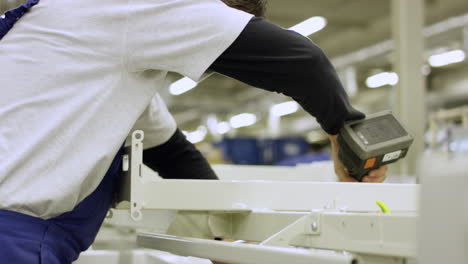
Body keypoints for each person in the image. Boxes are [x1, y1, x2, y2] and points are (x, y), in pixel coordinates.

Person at [0, 0, 386, 263]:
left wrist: (222, 239)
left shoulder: (97, 49)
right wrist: (342, 128)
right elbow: (304, 62)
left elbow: (173, 153)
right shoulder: (146, 7)